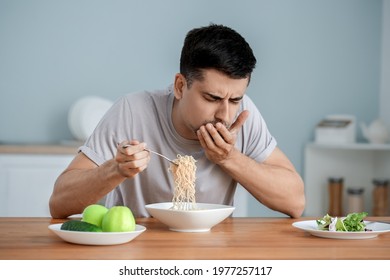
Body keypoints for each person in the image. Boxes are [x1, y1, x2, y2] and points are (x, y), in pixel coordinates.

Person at [49, 24, 305, 219]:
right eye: (212, 97)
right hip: (139, 250)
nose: (225, 115)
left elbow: (295, 201)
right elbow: (59, 203)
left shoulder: (243, 114)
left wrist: (230, 158)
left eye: (235, 98)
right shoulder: (133, 110)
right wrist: (115, 170)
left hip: (213, 252)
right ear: (181, 86)